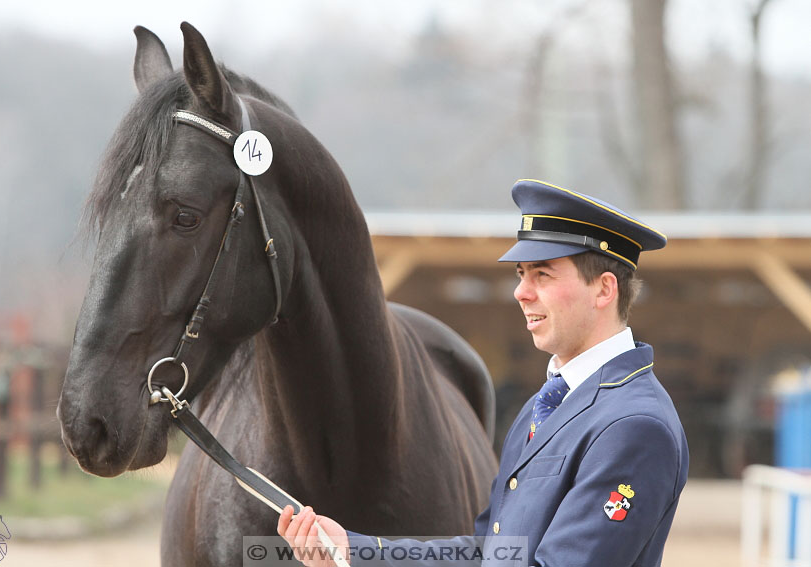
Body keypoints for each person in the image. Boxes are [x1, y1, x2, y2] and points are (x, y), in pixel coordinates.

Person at [278, 179, 689, 567]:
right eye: (521, 275)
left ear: (604, 289)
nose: (521, 292)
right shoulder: (543, 406)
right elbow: (492, 553)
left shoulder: (634, 425)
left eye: (542, 274)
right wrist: (355, 550)